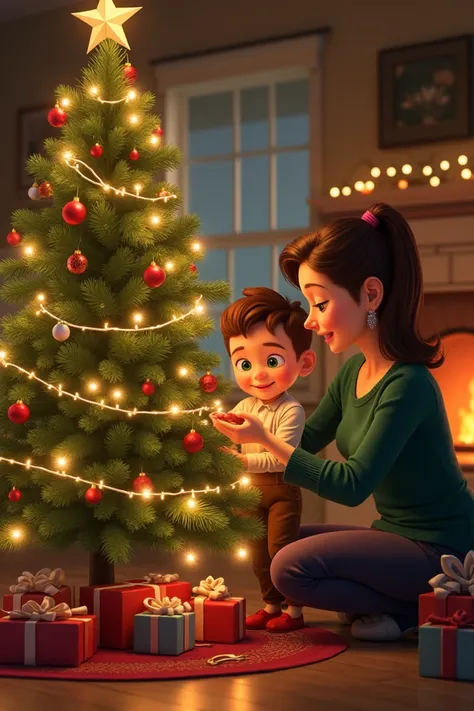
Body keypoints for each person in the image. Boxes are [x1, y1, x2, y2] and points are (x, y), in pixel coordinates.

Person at [211, 203, 474, 642]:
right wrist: (244, 437)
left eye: (320, 302)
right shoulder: (353, 371)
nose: (310, 320)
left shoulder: (407, 384)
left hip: (441, 548)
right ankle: (384, 601)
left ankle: (414, 606)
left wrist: (266, 442)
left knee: (288, 566)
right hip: (392, 534)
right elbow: (306, 438)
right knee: (283, 542)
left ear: (371, 295)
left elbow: (352, 486)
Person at [219, 287, 316, 632]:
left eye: (272, 361)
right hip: (250, 493)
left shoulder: (292, 410)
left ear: (303, 363)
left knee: (280, 550)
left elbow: (282, 459)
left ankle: (294, 610)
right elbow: (229, 432)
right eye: (244, 363)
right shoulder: (244, 407)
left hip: (281, 490)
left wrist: (242, 461)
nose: (258, 373)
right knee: (257, 553)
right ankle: (271, 605)